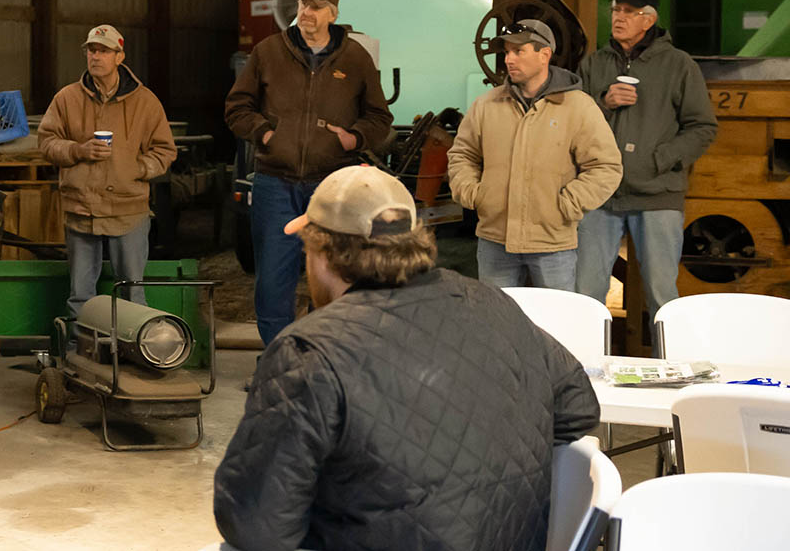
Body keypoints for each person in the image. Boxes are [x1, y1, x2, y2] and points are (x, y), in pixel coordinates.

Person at [213, 165, 600, 551]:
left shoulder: (309, 350)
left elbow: (254, 526)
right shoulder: (492, 302)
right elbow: (579, 408)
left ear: (321, 253)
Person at [224, 0, 393, 345]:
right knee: (273, 278)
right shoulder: (268, 51)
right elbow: (237, 107)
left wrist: (353, 137)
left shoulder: (355, 58)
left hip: (331, 185)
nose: (307, 12)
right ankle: (278, 354)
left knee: (333, 273)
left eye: (316, 7)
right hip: (275, 183)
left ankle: (322, 352)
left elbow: (379, 117)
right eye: (303, 4)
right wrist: (265, 134)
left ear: (332, 14)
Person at [575, 0, 717, 332]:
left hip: (657, 195)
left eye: (629, 11)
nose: (619, 17)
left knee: (662, 296)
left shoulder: (679, 65)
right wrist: (604, 103)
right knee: (586, 294)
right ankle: (585, 360)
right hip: (600, 195)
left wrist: (660, 160)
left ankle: (667, 361)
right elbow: (574, 122)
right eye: (616, 10)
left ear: (648, 20)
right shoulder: (593, 64)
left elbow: (702, 127)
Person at [448, 19, 621, 290]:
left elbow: (606, 167)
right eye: (507, 52)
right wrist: (474, 194)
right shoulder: (486, 105)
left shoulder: (578, 107)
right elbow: (463, 155)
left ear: (544, 54)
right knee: (498, 315)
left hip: (552, 245)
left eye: (519, 51)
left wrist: (567, 205)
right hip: (494, 240)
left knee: (553, 316)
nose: (509, 59)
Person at [37, 24, 176, 316]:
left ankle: (130, 344)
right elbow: (47, 142)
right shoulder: (67, 98)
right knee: (80, 296)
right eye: (91, 50)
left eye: (103, 51)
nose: (96, 56)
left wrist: (136, 168)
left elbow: (164, 151)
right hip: (81, 209)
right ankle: (80, 342)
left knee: (132, 294)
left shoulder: (145, 102)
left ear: (119, 56)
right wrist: (78, 150)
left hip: (128, 210)